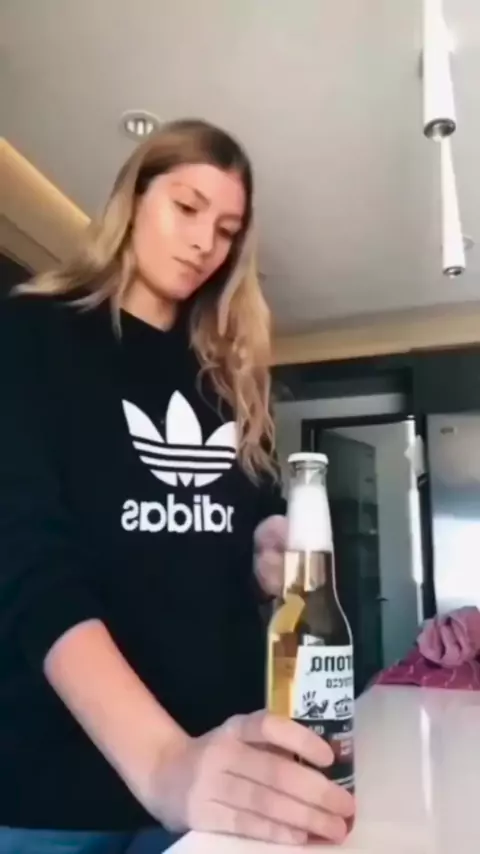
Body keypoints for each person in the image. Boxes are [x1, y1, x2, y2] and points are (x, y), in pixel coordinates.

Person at [0, 118, 354, 853]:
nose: (204, 243)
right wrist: (162, 761)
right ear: (133, 198)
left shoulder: (227, 375)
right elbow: (27, 563)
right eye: (187, 207)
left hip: (222, 764)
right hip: (58, 789)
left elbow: (246, 520)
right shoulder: (30, 335)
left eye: (226, 230)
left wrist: (267, 546)